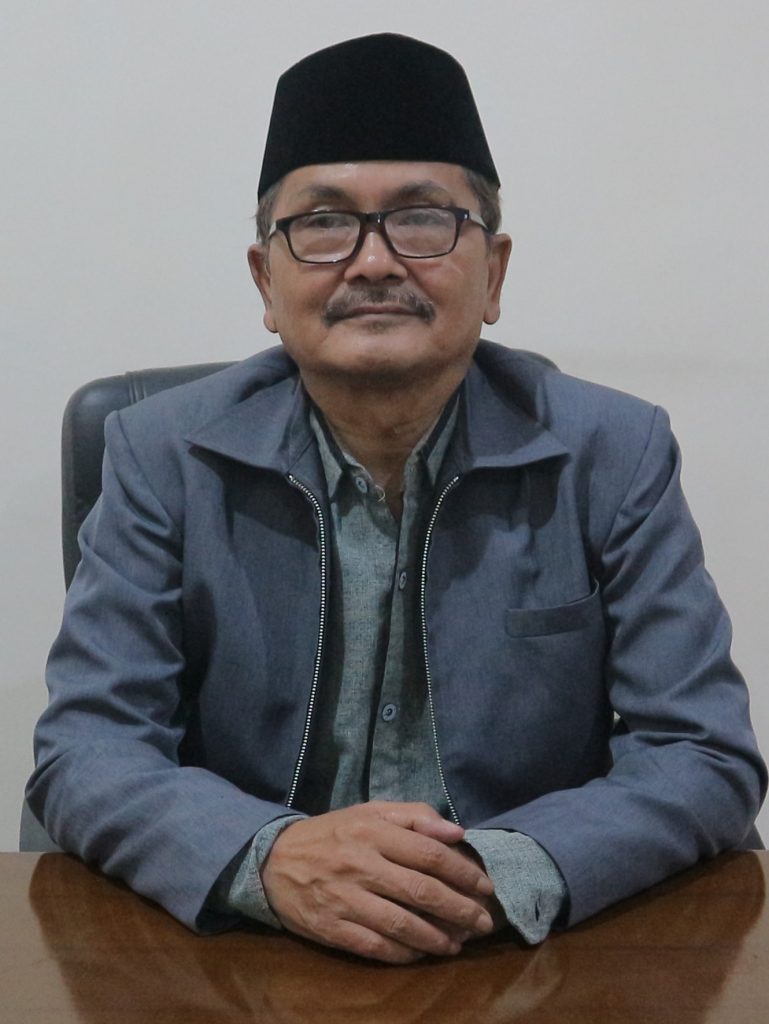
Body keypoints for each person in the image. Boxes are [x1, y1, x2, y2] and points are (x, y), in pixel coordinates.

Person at [27, 33, 766, 965]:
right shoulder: (159, 453)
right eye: (323, 223)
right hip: (244, 951)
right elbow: (89, 749)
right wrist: (270, 857)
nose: (373, 262)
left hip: (519, 949)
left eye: (422, 220)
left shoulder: (613, 452)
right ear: (265, 281)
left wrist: (498, 870)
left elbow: (701, 751)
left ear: (493, 273)